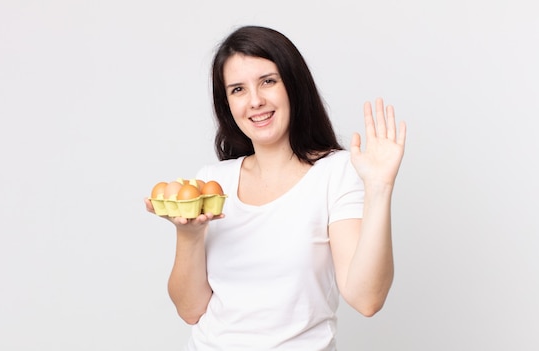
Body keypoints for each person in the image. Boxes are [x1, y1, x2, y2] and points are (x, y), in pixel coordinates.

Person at [145, 25, 407, 350]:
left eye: (268, 81)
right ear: (226, 104)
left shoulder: (335, 172)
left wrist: (380, 188)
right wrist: (189, 234)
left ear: (293, 87)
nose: (255, 101)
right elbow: (190, 310)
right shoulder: (214, 182)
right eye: (237, 90)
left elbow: (367, 298)